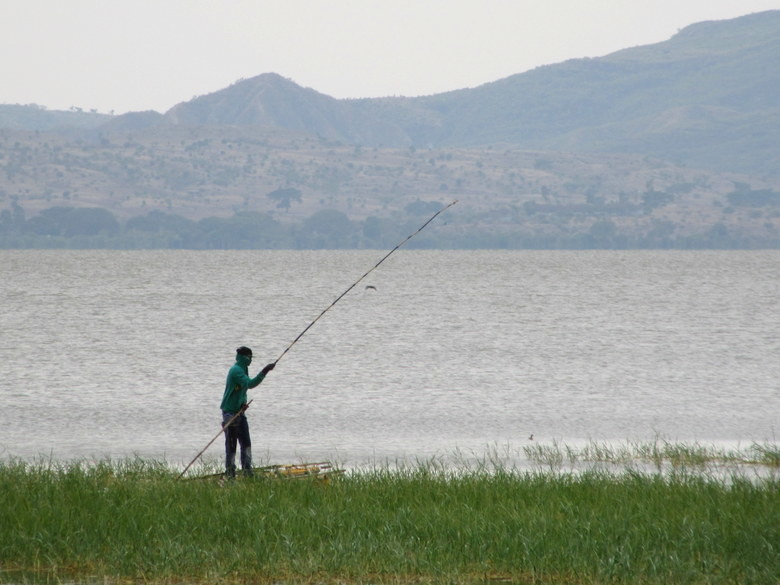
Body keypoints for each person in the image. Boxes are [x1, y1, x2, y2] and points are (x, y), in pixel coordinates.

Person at [220, 346, 275, 478]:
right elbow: (250, 384)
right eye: (249, 357)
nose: (251, 360)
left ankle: (247, 471)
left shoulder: (243, 369)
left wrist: (243, 403)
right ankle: (230, 473)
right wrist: (265, 371)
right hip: (230, 413)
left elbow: (243, 390)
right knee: (231, 444)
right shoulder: (236, 371)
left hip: (240, 412)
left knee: (246, 443)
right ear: (244, 358)